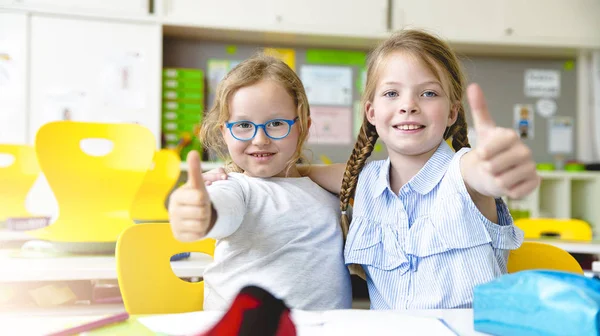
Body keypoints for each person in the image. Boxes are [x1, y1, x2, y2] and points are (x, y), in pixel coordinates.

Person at [204, 30, 540, 310]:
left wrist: (497, 167)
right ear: (372, 112)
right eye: (392, 93)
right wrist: (233, 176)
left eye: (428, 93)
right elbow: (294, 173)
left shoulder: (464, 175)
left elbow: (480, 172)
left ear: (452, 113)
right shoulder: (364, 182)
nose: (408, 104)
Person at [167, 54, 352, 311]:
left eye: (276, 124)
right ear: (224, 132)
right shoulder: (235, 186)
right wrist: (202, 212)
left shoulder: (323, 191)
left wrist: (302, 172)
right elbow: (222, 209)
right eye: (243, 125)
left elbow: (362, 178)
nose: (260, 139)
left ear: (304, 128)